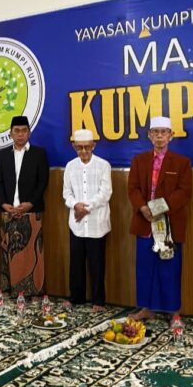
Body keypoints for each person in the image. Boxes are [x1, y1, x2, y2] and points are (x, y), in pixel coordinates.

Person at [127, 116, 192, 321]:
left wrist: (158, 209)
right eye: (155, 132)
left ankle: (173, 311)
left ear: (171, 136)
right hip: (144, 221)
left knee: (170, 268)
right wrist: (143, 208)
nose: (159, 136)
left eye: (164, 132)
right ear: (149, 135)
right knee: (145, 267)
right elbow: (133, 188)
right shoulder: (139, 160)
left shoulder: (182, 162)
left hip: (169, 223)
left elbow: (184, 192)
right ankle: (146, 308)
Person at [0, 115, 49, 296]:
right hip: (8, 211)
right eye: (16, 131)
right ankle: (10, 289)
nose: (20, 134)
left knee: (32, 253)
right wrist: (4, 204)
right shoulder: (3, 155)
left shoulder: (39, 153)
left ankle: (33, 291)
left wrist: (30, 204)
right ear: (10, 133)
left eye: (24, 130)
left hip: (32, 211)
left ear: (29, 133)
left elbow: (43, 181)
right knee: (9, 252)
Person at [62, 129, 112, 312]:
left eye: (87, 147)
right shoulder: (70, 166)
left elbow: (105, 193)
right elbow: (66, 193)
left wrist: (86, 208)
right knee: (76, 262)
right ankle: (76, 298)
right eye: (79, 148)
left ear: (94, 146)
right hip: (76, 223)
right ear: (74, 146)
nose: (83, 151)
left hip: (96, 223)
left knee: (96, 263)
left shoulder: (103, 165)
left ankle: (98, 301)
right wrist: (76, 205)